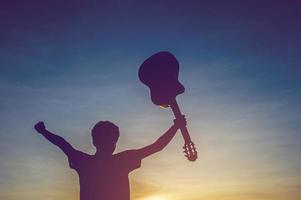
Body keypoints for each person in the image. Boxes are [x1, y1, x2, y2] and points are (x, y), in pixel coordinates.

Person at [34, 115, 186, 200]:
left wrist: (44, 132)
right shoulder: (123, 161)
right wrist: (175, 127)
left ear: (93, 140)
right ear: (115, 142)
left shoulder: (84, 162)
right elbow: (157, 146)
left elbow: (63, 144)